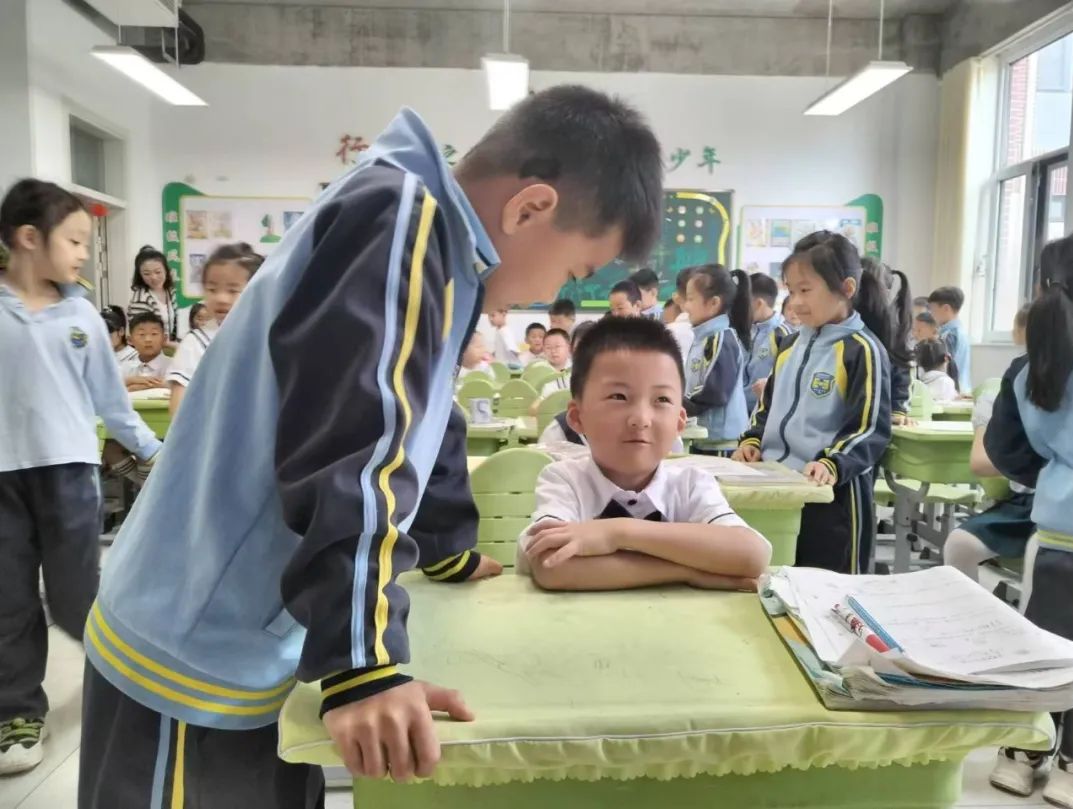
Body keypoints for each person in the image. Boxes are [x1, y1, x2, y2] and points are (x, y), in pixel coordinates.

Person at [78, 85, 664, 807]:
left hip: (259, 636)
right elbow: (355, 434)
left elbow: (422, 407)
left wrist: (444, 542)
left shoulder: (437, 248)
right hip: (194, 644)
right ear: (531, 208)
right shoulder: (401, 218)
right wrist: (366, 664)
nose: (556, 287)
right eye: (573, 269)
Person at [0, 179, 161, 775]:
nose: (82, 255)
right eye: (72, 240)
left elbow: (111, 401)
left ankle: (124, 684)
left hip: (68, 475)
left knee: (75, 598)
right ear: (27, 238)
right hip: (2, 482)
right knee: (8, 599)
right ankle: (16, 711)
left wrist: (153, 450)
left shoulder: (81, 317)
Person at [518, 316, 770, 589]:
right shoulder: (564, 479)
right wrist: (688, 572)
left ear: (679, 422)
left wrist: (617, 532)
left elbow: (752, 555)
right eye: (619, 397)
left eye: (661, 399)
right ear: (577, 417)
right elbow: (550, 565)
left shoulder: (690, 484)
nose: (641, 419)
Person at [983, 234, 1073, 806]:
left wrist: (1058, 469)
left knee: (1045, 644)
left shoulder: (1032, 367)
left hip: (1061, 527)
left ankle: (1023, 752)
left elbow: (1006, 449)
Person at [733, 231, 892, 574]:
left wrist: (832, 462)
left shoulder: (862, 349)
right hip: (777, 488)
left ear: (846, 289)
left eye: (806, 290)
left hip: (832, 497)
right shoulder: (789, 347)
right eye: (791, 291)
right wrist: (752, 440)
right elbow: (767, 407)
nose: (795, 302)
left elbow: (870, 428)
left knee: (827, 593)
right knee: (772, 581)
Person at [944, 307, 1035, 583]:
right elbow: (981, 462)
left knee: (1039, 553)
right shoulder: (1013, 381)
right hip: (1026, 503)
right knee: (959, 544)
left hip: (1062, 504)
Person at [165, 243, 263, 416]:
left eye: (233, 290)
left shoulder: (267, 335)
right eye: (212, 289)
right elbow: (179, 408)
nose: (221, 298)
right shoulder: (195, 343)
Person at [681, 265, 753, 444]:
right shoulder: (703, 338)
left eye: (690, 299)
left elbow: (714, 391)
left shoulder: (721, 339)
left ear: (714, 303)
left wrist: (674, 403)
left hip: (720, 441)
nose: (685, 306)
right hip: (704, 437)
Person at [860, 257, 913, 423]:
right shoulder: (842, 324)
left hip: (879, 420)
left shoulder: (892, 331)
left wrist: (898, 411)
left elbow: (902, 376)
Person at [743, 273, 793, 414]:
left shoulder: (783, 335)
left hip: (765, 415)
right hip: (742, 415)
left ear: (758, 304)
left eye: (743, 304)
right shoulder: (747, 331)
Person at [127, 245, 178, 346]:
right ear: (140, 275)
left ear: (166, 271)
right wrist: (172, 346)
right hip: (149, 352)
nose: (153, 277)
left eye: (158, 272)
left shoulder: (170, 291)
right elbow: (141, 336)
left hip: (167, 350)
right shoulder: (140, 299)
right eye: (146, 274)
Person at [928, 285, 970, 393]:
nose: (931, 314)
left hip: (949, 389)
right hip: (961, 387)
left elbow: (942, 366)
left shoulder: (949, 335)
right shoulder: (961, 331)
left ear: (946, 308)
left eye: (933, 309)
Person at [120, 311, 170, 390]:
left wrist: (139, 387)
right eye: (141, 334)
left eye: (154, 334)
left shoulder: (175, 367)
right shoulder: (123, 368)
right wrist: (128, 382)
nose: (148, 340)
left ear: (164, 338)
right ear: (130, 340)